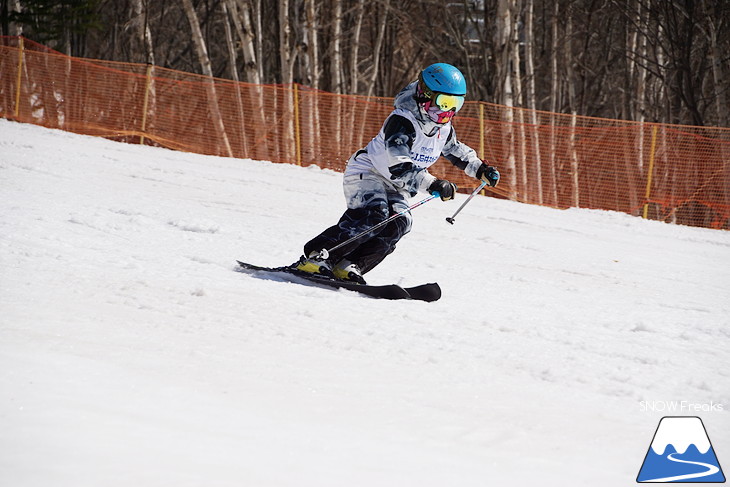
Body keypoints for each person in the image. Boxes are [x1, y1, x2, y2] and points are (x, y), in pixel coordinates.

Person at [295, 63, 500, 284]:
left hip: (398, 186)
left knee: (399, 223)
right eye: (444, 102)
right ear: (425, 95)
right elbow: (399, 165)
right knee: (374, 215)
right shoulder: (402, 121)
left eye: (455, 104)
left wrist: (480, 168)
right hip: (369, 172)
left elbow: (455, 151)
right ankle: (318, 257)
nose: (447, 111)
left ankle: (349, 266)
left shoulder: (443, 128)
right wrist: (433, 184)